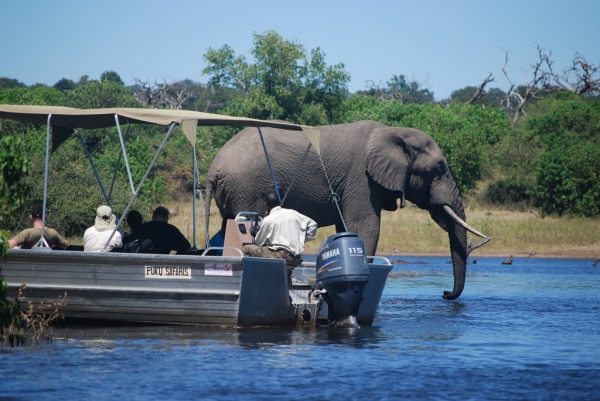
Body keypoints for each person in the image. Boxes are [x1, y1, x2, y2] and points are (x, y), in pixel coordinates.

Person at [243, 192, 317, 268]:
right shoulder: (293, 213)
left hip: (281, 256)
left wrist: (260, 227)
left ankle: (253, 278)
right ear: (279, 202)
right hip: (296, 258)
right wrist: (301, 240)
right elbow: (313, 224)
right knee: (285, 270)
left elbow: (258, 242)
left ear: (267, 205)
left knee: (246, 249)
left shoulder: (268, 219)